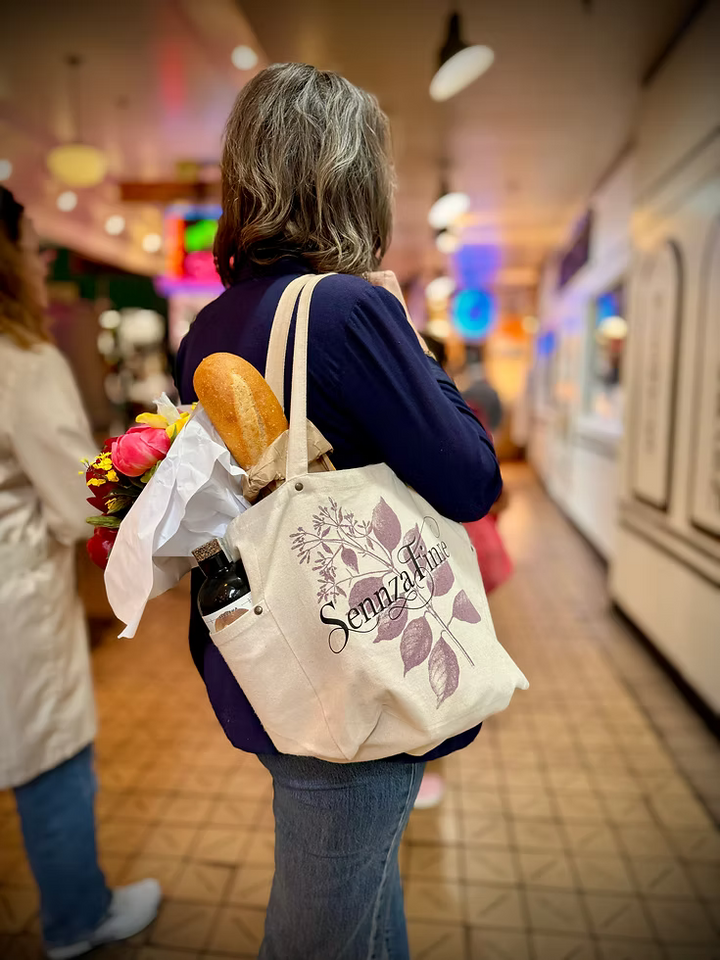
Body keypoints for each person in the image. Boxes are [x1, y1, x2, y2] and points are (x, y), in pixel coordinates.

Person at [175, 64, 502, 960]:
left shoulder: (208, 326)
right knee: (319, 928)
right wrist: (413, 337)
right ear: (352, 178)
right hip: (359, 661)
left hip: (273, 653)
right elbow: (472, 478)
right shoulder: (354, 309)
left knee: (361, 897)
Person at [0, 186, 161, 959]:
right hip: (17, 600)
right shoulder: (21, 361)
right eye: (32, 247)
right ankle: (76, 916)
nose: (39, 263)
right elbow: (74, 505)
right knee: (50, 751)